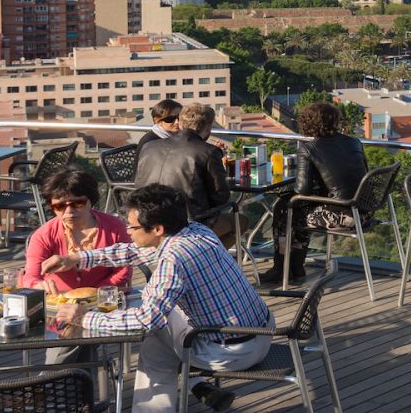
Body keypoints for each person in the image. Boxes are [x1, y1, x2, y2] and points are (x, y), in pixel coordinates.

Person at [42, 183, 274, 413]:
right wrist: (76, 259)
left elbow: (146, 320)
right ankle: (196, 387)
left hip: (229, 352)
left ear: (157, 229)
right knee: (155, 314)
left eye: (132, 227)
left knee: (154, 337)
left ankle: (159, 404)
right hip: (263, 332)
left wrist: (85, 318)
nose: (128, 232)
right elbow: (133, 250)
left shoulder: (173, 260)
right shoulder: (195, 230)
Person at [21, 166, 131, 368]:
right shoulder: (44, 234)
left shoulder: (114, 227)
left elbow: (123, 270)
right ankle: (77, 388)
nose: (69, 211)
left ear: (91, 200)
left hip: (104, 303)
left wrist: (95, 294)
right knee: (76, 331)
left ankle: (51, 382)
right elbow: (30, 277)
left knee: (76, 332)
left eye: (77, 203)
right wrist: (40, 285)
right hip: (59, 308)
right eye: (59, 206)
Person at [262, 100, 367, 285]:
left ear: (306, 123)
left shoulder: (309, 147)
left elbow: (302, 191)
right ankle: (295, 269)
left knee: (285, 209)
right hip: (365, 211)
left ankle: (282, 270)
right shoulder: (354, 142)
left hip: (342, 215)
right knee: (299, 210)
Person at [135, 103, 239, 244]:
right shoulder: (208, 152)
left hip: (147, 222)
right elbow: (221, 197)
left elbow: (139, 183)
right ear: (209, 126)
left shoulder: (148, 146)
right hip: (187, 225)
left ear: (181, 123)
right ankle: (199, 262)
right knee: (240, 221)